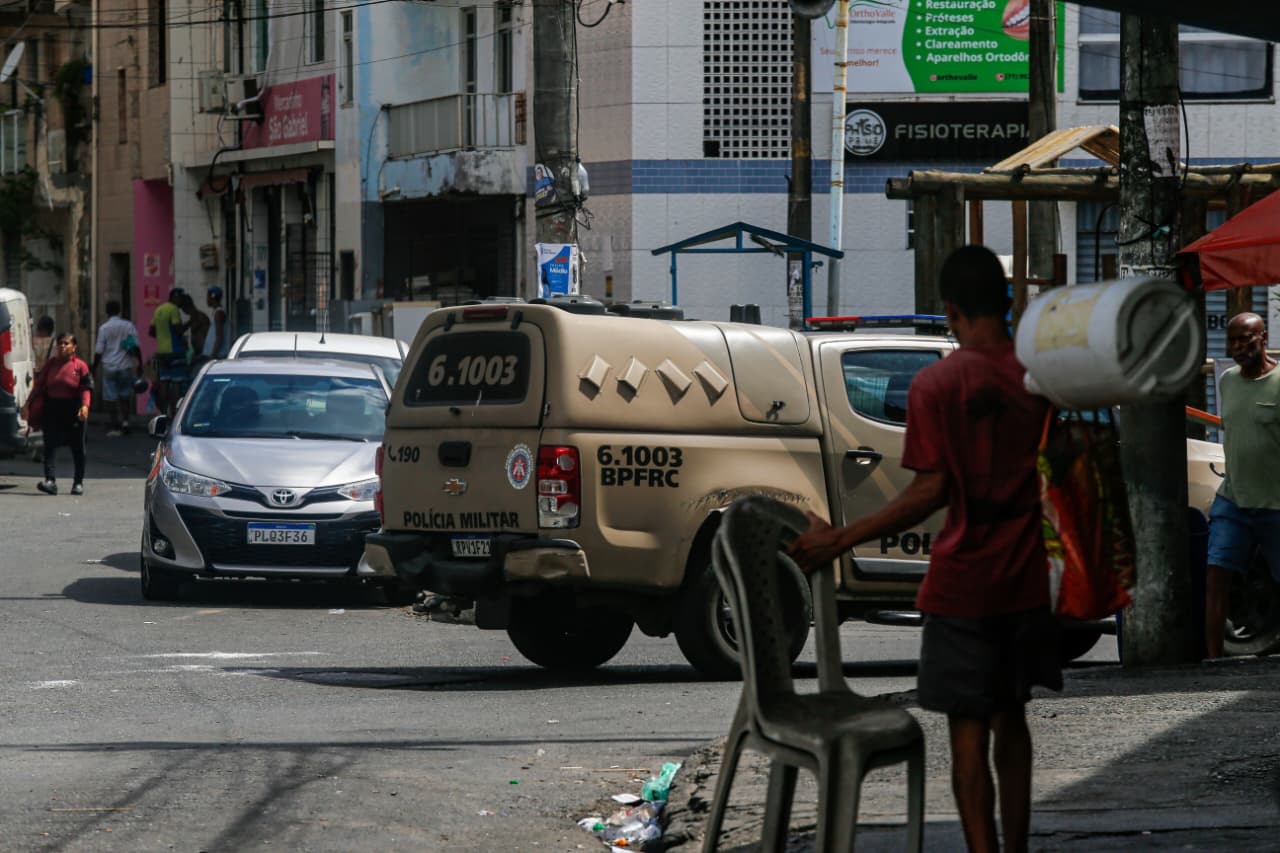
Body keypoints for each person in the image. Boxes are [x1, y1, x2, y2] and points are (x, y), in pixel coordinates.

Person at [788, 244, 1059, 853]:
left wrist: (841, 538)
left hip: (962, 584)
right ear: (1007, 301)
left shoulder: (936, 384)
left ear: (951, 310)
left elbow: (930, 491)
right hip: (1024, 577)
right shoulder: (1039, 378)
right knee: (1012, 720)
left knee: (968, 733)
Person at [1204, 312, 1280, 659]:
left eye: (1244, 339)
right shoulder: (1228, 381)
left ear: (1263, 338)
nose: (1237, 347)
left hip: (1274, 503)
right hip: (1233, 499)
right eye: (1232, 341)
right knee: (1217, 574)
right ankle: (1212, 660)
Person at [23, 333, 93, 496]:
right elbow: (39, 385)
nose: (62, 346)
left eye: (66, 344)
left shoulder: (80, 366)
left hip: (73, 410)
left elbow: (86, 389)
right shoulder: (51, 364)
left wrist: (85, 406)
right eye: (60, 343)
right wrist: (27, 404)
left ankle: (78, 483)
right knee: (50, 446)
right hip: (52, 408)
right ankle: (50, 481)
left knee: (78, 447)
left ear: (74, 347)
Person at [91, 300, 141, 436]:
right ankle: (125, 422)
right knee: (125, 395)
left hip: (109, 367)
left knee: (110, 398)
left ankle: (114, 424)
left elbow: (99, 351)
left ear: (107, 312)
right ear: (119, 310)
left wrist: (94, 367)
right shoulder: (128, 326)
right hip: (125, 366)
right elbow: (136, 346)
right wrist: (140, 363)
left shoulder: (104, 328)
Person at [149, 288, 189, 416]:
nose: (182, 301)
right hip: (175, 351)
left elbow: (151, 331)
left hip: (161, 352)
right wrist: (189, 323)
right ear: (174, 297)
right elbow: (178, 330)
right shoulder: (173, 309)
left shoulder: (159, 310)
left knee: (164, 382)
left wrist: (162, 337)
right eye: (180, 298)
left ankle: (164, 412)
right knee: (177, 382)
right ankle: (175, 413)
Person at [178, 291, 211, 364]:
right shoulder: (193, 318)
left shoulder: (200, 317)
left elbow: (206, 336)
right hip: (197, 352)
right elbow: (182, 329)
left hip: (203, 353)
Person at [204, 286, 229, 360]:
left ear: (212, 297)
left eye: (207, 296)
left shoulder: (219, 313)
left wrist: (213, 355)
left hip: (218, 356)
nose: (206, 299)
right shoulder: (217, 312)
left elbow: (219, 337)